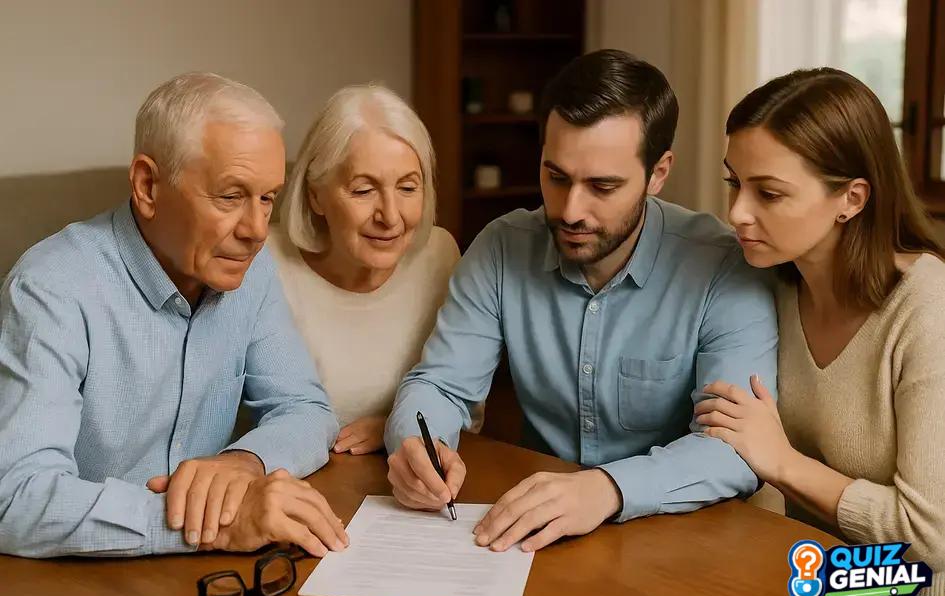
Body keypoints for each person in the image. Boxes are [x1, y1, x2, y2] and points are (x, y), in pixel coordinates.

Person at [384, 49, 778, 552]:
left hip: (678, 540)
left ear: (659, 173)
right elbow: (440, 384)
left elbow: (736, 451)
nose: (570, 210)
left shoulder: (723, 268)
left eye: (602, 186)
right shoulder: (502, 247)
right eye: (557, 177)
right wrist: (417, 446)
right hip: (536, 537)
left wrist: (609, 489)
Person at [0, 72, 348, 558]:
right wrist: (209, 525)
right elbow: (16, 498)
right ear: (147, 186)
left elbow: (307, 410)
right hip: (75, 587)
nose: (256, 230)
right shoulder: (50, 288)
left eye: (267, 197)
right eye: (230, 196)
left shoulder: (252, 268)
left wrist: (243, 463)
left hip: (205, 581)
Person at [697, 68, 945, 596]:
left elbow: (928, 538)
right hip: (807, 571)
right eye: (735, 183)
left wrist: (784, 463)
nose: (738, 212)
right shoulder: (766, 281)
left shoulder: (929, 310)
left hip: (918, 591)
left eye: (769, 193)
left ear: (851, 199)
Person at [270, 85, 460, 455]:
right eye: (362, 191)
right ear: (315, 195)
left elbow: (464, 401)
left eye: (407, 188)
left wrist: (398, 428)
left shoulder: (440, 254)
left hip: (397, 484)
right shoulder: (265, 261)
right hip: (286, 483)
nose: (390, 216)